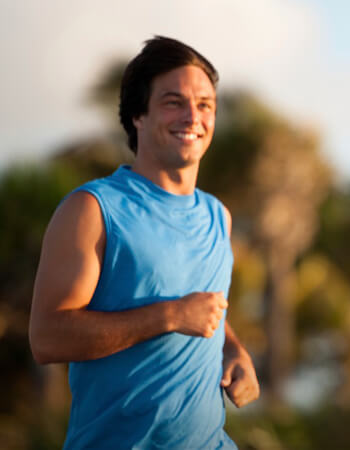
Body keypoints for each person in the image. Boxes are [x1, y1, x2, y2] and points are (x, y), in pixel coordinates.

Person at [28, 36, 259, 449]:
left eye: (205, 104)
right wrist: (169, 316)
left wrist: (234, 350)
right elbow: (47, 337)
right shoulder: (93, 209)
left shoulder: (218, 216)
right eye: (174, 102)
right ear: (138, 114)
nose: (193, 116)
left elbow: (206, 310)